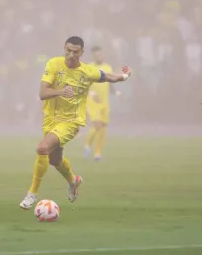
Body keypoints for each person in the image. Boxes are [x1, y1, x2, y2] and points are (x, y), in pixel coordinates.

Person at [19, 36, 132, 210]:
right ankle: (73, 181)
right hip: (50, 119)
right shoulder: (53, 64)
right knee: (54, 160)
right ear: (64, 48)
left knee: (42, 148)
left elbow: (108, 76)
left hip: (71, 121)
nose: (71, 55)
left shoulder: (87, 72)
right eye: (68, 50)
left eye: (76, 52)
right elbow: (42, 93)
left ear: (82, 53)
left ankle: (32, 194)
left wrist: (124, 75)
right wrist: (61, 92)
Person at [84, 46, 121, 161]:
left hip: (105, 101)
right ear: (93, 56)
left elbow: (110, 83)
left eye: (100, 54)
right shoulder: (89, 67)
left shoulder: (107, 67)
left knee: (103, 128)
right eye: (96, 55)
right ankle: (87, 145)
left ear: (103, 55)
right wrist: (90, 92)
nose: (99, 57)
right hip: (93, 101)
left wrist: (115, 93)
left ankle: (97, 153)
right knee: (97, 125)